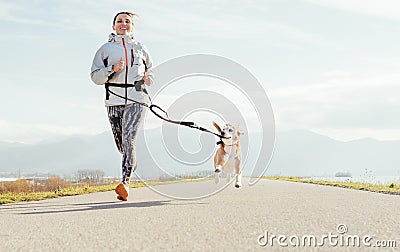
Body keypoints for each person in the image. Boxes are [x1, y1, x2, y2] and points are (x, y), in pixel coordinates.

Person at [90, 11, 153, 201]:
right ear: (113, 26)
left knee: (128, 139)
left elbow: (150, 68)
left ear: (132, 26)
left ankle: (125, 182)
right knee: (121, 144)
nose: (123, 24)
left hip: (136, 98)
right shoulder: (105, 50)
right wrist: (112, 69)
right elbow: (95, 77)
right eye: (119, 21)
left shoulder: (141, 48)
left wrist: (149, 78)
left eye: (127, 21)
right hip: (114, 100)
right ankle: (131, 162)